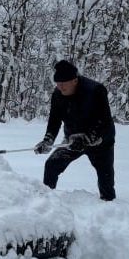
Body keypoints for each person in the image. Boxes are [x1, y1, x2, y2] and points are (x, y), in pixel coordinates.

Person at [34, 60, 116, 201]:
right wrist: (48, 140)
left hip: (101, 141)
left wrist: (87, 138)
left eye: (63, 83)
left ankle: (109, 207)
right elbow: (54, 121)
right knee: (52, 165)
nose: (60, 87)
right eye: (58, 84)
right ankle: (46, 201)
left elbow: (104, 120)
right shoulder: (58, 94)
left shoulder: (95, 90)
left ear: (74, 80)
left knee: (105, 178)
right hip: (72, 141)